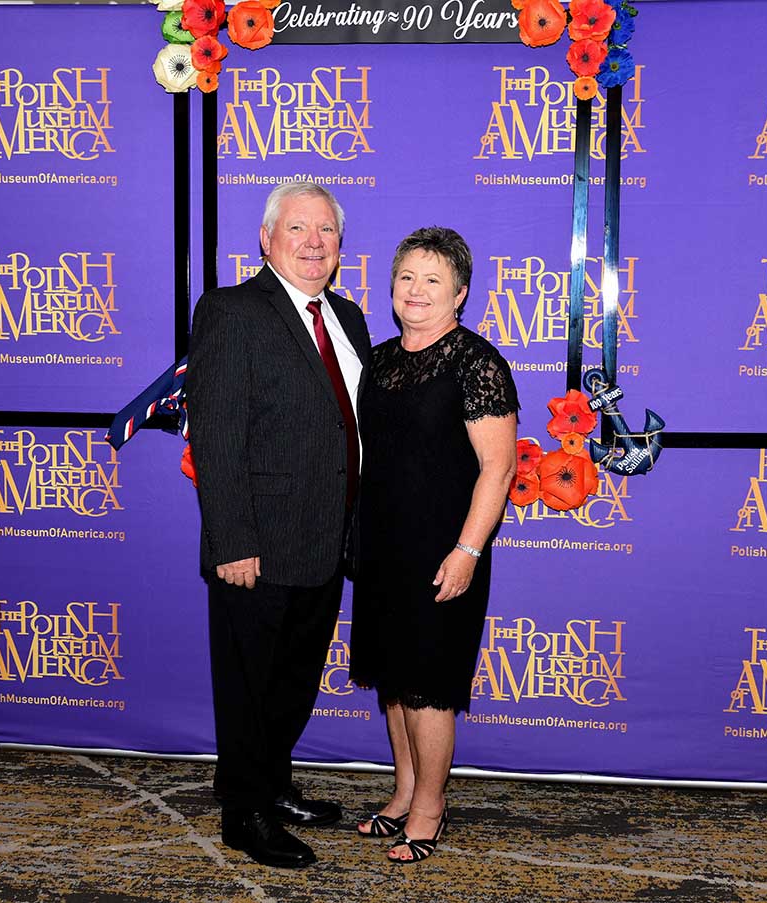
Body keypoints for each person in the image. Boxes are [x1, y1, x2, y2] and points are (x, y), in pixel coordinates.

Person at [186, 182, 371, 869]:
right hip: (256, 543)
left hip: (326, 539)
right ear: (267, 239)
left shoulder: (348, 317)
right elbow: (216, 436)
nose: (314, 242)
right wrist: (232, 540)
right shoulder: (231, 311)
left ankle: (273, 783)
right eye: (298, 228)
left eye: (327, 230)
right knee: (248, 685)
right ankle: (245, 812)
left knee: (293, 679)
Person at [349, 227, 518, 864]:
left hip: (443, 548)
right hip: (382, 544)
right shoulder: (379, 360)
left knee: (427, 684)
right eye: (406, 278)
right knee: (394, 681)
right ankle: (402, 794)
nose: (416, 291)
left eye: (432, 280)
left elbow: (498, 468)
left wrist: (467, 551)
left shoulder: (476, 362)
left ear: (460, 293)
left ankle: (429, 808)